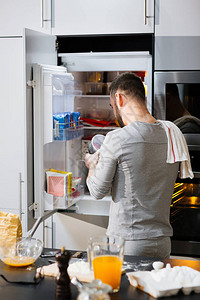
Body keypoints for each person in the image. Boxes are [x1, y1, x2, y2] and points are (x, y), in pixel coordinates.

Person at [85, 72, 193, 259]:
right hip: (162, 242)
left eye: (112, 106)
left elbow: (97, 191)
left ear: (118, 99)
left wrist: (91, 166)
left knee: (127, 289)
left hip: (128, 244)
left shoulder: (117, 138)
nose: (114, 112)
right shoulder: (172, 132)